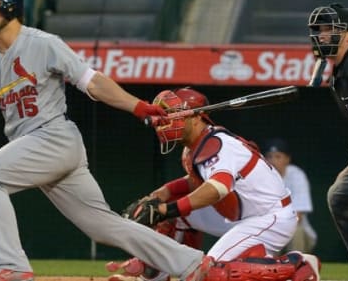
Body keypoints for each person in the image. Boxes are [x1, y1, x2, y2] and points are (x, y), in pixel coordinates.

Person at [0, 0, 215, 281]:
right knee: (103, 225)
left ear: (9, 5)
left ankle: (12, 267)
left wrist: (138, 107)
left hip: (53, 137)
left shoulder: (44, 44)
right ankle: (192, 263)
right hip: (36, 145)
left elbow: (92, 82)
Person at [105, 88, 321, 281]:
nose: (167, 121)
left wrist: (164, 210)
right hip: (241, 214)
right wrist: (162, 194)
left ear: (197, 117)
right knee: (175, 212)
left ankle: (297, 265)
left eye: (173, 114)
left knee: (210, 273)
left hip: (270, 217)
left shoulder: (218, 145)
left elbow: (217, 188)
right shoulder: (193, 147)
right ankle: (155, 276)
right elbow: (195, 182)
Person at [308, 3, 348, 281]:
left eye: (329, 29)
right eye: (318, 30)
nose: (321, 36)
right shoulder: (340, 74)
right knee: (340, 193)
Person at [262, 138, 317, 253]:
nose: (273, 161)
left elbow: (298, 216)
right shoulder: (260, 177)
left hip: (299, 234)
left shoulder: (296, 175)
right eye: (269, 156)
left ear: (287, 159)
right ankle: (267, 267)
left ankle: (295, 266)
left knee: (295, 230)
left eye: (278, 156)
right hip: (269, 231)